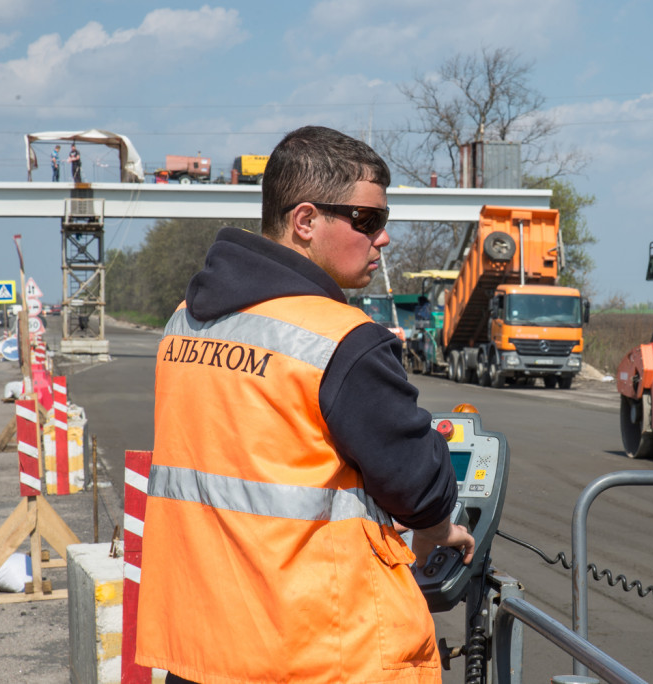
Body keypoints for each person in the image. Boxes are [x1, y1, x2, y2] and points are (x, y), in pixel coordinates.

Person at [135, 126, 474, 684]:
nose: (383, 238)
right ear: (306, 222)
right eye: (368, 220)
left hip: (202, 649)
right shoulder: (343, 339)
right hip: (318, 654)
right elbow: (418, 484)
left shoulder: (185, 322)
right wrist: (437, 527)